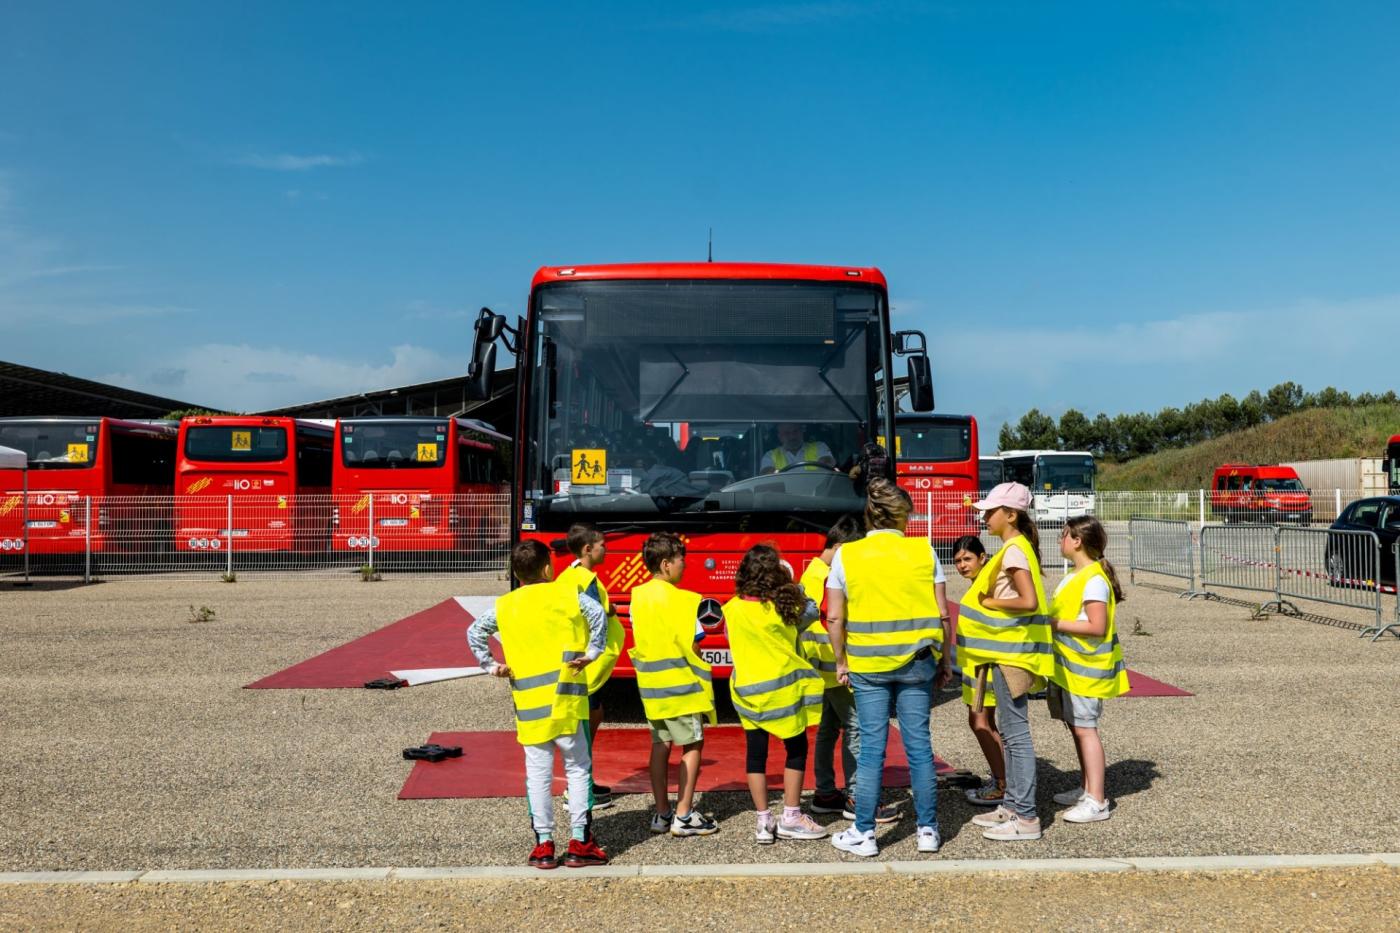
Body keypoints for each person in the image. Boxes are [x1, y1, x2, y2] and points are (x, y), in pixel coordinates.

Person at [826, 478, 952, 858]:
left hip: (868, 666)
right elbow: (943, 613)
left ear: (870, 516)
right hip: (917, 663)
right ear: (904, 516)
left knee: (871, 752)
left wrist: (841, 660)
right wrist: (945, 659)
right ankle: (927, 829)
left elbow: (834, 616)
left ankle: (864, 833)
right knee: (919, 748)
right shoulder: (924, 551)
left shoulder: (848, 555)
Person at [466, 540, 610, 870]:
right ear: (548, 568)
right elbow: (598, 614)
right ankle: (580, 842)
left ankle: (544, 845)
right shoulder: (565, 595)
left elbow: (475, 632)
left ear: (516, 574)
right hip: (567, 702)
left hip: (530, 708)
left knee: (538, 776)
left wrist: (491, 666)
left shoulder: (505, 606)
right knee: (577, 769)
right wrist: (592, 653)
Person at [961, 482, 1053, 842]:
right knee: (1014, 735)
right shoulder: (1014, 548)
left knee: (1015, 735)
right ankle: (1014, 804)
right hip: (1005, 653)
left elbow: (1028, 601)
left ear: (1010, 515)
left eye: (990, 511)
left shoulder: (1014, 550)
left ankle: (1026, 816)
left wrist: (990, 604)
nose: (984, 517)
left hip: (1011, 655)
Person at [798, 515, 900, 824]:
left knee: (829, 730)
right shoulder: (828, 576)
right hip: (836, 666)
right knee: (856, 728)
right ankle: (857, 797)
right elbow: (834, 620)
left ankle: (826, 792)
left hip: (820, 669)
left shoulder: (811, 574)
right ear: (841, 547)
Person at [725, 544, 829, 844]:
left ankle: (762, 822)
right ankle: (792, 816)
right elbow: (811, 607)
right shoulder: (785, 609)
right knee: (795, 750)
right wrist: (791, 583)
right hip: (783, 694)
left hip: (746, 694)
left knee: (755, 756)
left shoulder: (731, 609)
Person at [628, 532, 720, 837]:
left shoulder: (636, 596)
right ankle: (684, 814)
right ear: (666, 564)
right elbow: (695, 647)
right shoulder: (686, 601)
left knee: (660, 744)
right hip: (683, 688)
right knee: (693, 744)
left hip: (652, 689)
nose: (685, 565)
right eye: (682, 560)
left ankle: (662, 813)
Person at [1048, 516, 1130, 823]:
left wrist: (1053, 624)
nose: (1060, 541)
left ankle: (1096, 799)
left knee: (1086, 730)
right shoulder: (1076, 576)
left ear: (1077, 540)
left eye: (1063, 536)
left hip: (1085, 669)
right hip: (1069, 668)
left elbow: (1097, 626)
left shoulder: (1093, 579)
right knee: (1076, 727)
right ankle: (1086, 788)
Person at [555, 523, 626, 811]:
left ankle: (584, 783)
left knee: (592, 718)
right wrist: (612, 610)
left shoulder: (567, 577)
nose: (605, 549)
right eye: (602, 546)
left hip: (578, 661)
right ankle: (579, 791)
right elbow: (599, 614)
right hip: (588, 665)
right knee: (584, 729)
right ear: (588, 549)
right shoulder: (587, 580)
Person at [948, 535, 1007, 807]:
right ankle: (1002, 778)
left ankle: (1003, 783)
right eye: (957, 561)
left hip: (987, 664)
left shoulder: (988, 582)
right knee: (983, 723)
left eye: (967, 558)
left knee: (981, 722)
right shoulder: (977, 584)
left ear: (982, 557)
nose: (962, 565)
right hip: (975, 664)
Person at [759, 423, 835, 474]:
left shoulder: (819, 447)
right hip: (784, 497)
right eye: (787, 433)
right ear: (779, 436)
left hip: (817, 495)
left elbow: (828, 465)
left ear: (802, 431)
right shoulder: (770, 456)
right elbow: (767, 475)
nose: (792, 436)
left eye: (795, 431)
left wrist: (825, 463)